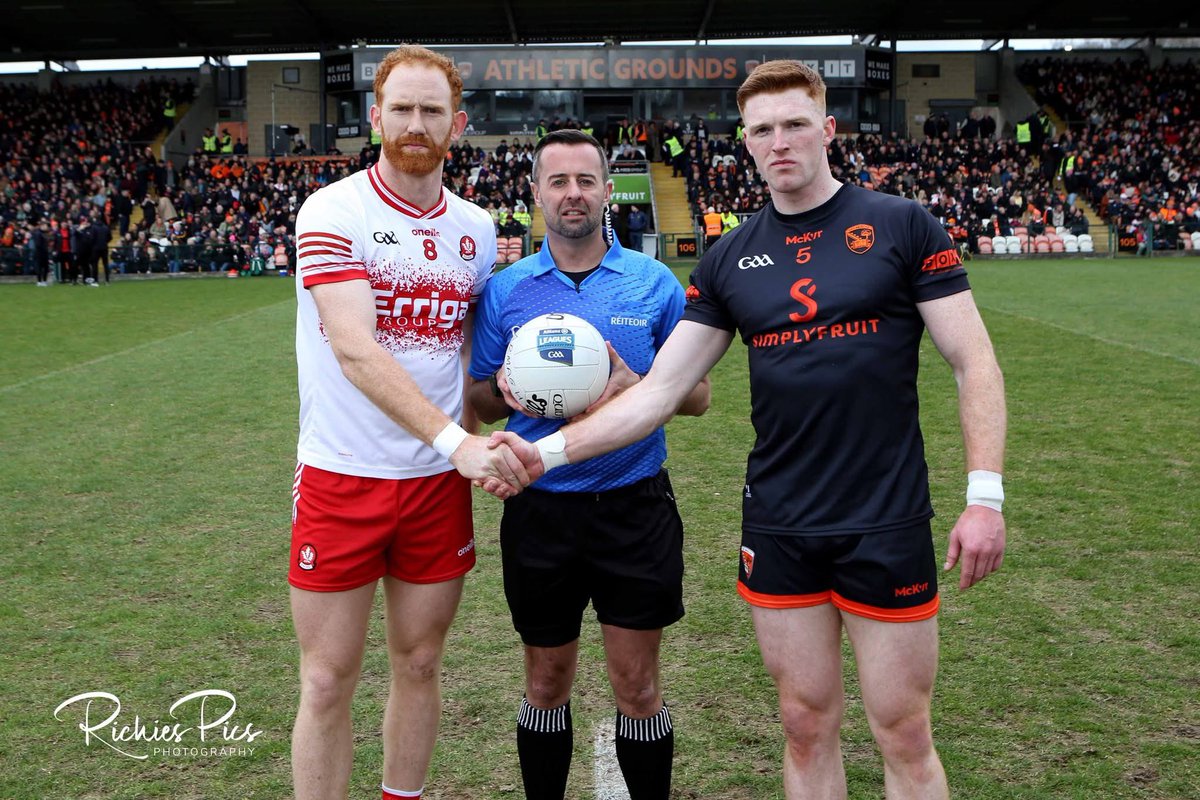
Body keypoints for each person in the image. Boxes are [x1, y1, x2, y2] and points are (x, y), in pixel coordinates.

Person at [484, 60, 1007, 800]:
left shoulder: (901, 225)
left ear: (826, 129)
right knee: (802, 722)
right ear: (747, 144)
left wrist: (985, 494)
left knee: (904, 731)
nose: (780, 141)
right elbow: (662, 391)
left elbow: (973, 361)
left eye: (795, 124)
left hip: (884, 520)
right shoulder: (728, 257)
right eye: (763, 130)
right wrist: (543, 455)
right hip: (782, 523)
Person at [288, 44, 532, 800]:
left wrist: (515, 414)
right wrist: (457, 441)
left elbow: (470, 363)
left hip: (435, 484)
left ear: (457, 124)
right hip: (342, 476)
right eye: (402, 108)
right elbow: (356, 350)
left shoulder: (476, 230)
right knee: (328, 680)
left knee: (421, 664)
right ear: (376, 116)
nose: (416, 123)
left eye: (432, 110)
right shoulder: (333, 210)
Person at [466, 129, 710, 800]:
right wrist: (504, 391)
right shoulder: (507, 291)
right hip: (541, 509)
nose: (573, 194)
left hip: (634, 505)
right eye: (558, 182)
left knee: (638, 686)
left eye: (585, 181)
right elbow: (480, 401)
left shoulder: (653, 283)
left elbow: (698, 397)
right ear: (537, 194)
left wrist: (638, 384)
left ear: (607, 189)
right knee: (545, 681)